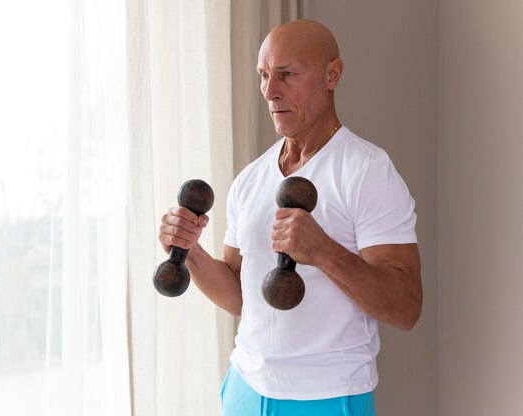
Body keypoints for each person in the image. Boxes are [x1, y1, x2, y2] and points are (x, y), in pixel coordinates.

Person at [158, 19, 422, 416]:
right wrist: (190, 249)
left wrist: (324, 252)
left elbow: (406, 308)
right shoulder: (250, 179)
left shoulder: (368, 171)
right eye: (264, 75)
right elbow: (239, 296)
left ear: (332, 74)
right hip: (244, 388)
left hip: (327, 398)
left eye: (286, 75)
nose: (269, 91)